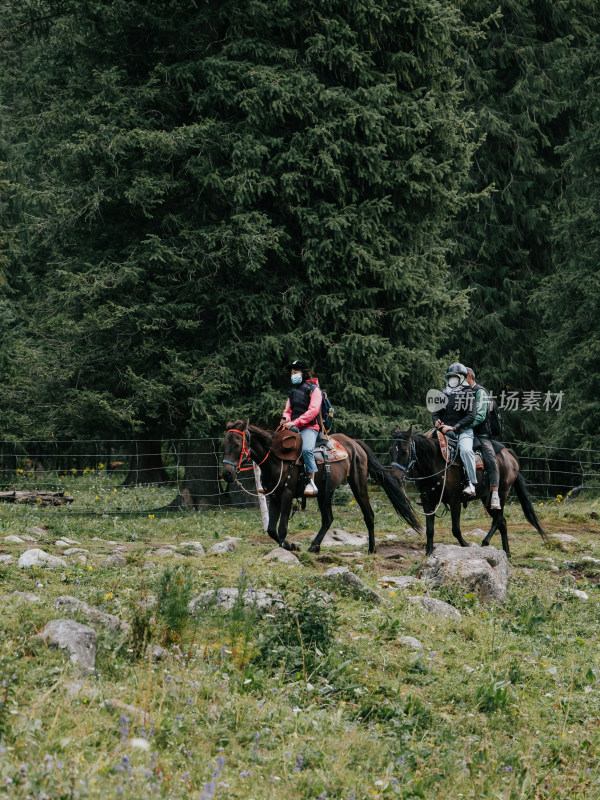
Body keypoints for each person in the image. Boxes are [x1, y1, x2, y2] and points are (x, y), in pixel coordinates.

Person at [432, 362, 478, 497]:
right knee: (425, 445)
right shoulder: (443, 394)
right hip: (444, 431)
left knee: (465, 450)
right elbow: (436, 413)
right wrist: (436, 421)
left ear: (462, 378)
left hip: (463, 432)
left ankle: (470, 484)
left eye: (455, 377)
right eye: (450, 377)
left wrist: (454, 427)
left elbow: (471, 416)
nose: (452, 379)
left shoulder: (468, 394)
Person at [280, 359, 322, 496]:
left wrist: (296, 422)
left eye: (296, 372)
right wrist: (285, 419)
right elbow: (288, 410)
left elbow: (313, 410)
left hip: (310, 427)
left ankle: (311, 482)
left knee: (306, 449)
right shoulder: (292, 392)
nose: (293, 375)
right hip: (293, 427)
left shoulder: (314, 390)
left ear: (304, 373)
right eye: (292, 372)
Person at [465, 367, 501, 509]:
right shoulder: (462, 393)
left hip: (481, 434)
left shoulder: (480, 392)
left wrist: (463, 426)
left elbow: (480, 416)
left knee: (491, 459)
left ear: (468, 376)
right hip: (464, 432)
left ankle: (495, 494)